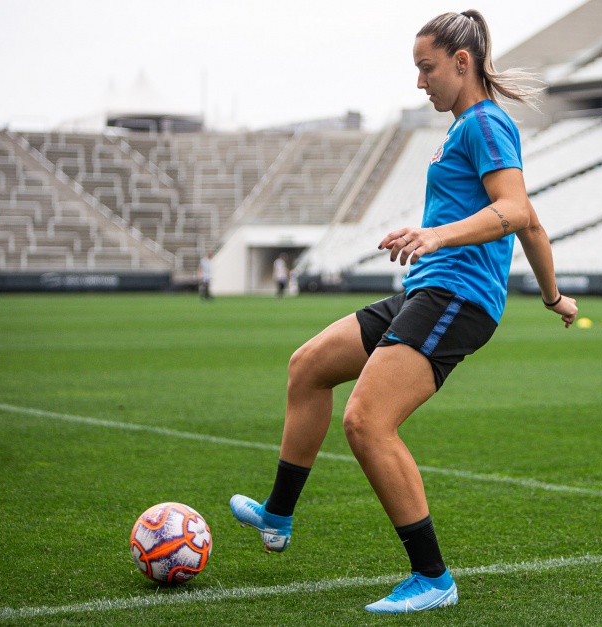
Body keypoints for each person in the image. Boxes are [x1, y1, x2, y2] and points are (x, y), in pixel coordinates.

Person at [229, 9, 578, 614]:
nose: (420, 83)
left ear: (461, 63)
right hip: (429, 290)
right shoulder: (466, 128)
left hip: (457, 297)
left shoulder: (487, 125)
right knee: (308, 365)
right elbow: (534, 223)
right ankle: (278, 515)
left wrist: (436, 236)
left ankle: (433, 578)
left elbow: (516, 211)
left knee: (366, 421)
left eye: (427, 68)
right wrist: (552, 296)